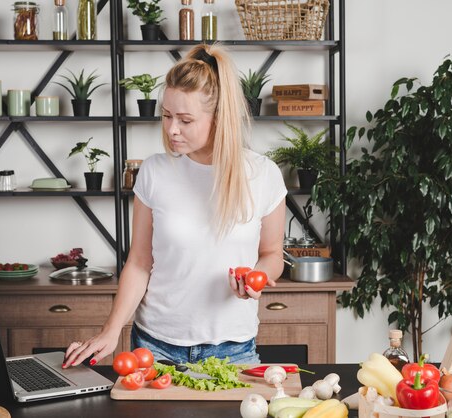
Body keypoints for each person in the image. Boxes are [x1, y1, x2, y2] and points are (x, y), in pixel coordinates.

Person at [63, 43, 287, 368]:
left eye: (185, 119)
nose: (171, 129)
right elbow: (139, 262)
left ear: (219, 118)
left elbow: (272, 254)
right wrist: (111, 331)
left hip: (233, 350)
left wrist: (257, 277)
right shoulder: (155, 172)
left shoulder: (262, 174)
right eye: (167, 115)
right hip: (155, 348)